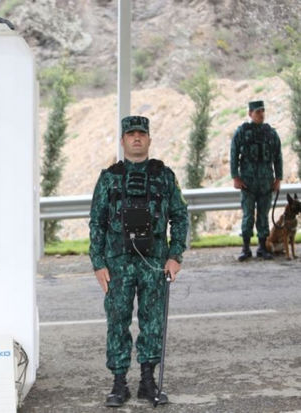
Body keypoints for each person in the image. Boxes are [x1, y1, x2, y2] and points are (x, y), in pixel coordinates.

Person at [89, 116, 188, 407]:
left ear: (148, 140)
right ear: (122, 140)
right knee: (117, 321)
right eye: (130, 134)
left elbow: (180, 216)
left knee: (152, 321)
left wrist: (175, 255)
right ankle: (119, 383)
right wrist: (98, 263)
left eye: (141, 134)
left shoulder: (164, 176)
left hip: (154, 261)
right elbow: (97, 222)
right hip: (117, 262)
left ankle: (148, 381)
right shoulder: (109, 178)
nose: (136, 138)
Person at [230, 100, 283, 261]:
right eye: (258, 111)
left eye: (263, 111)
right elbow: (233, 154)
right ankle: (245, 248)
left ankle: (262, 247)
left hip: (266, 181)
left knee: (263, 216)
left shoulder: (271, 133)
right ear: (250, 113)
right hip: (247, 182)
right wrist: (235, 177)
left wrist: (278, 178)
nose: (261, 114)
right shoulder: (242, 132)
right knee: (248, 216)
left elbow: (278, 157)